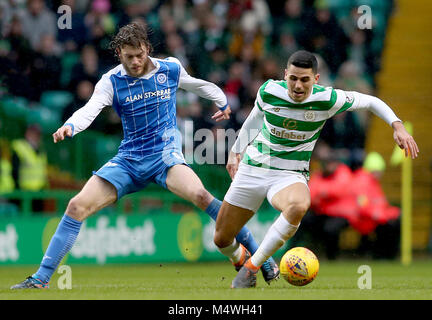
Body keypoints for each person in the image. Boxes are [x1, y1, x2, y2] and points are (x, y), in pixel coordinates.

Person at [11, 23, 278, 289]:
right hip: (128, 160)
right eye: (129, 57)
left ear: (147, 49)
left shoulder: (170, 68)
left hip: (165, 156)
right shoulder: (111, 81)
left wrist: (221, 102)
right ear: (119, 53)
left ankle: (260, 256)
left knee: (201, 196)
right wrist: (71, 125)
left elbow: (199, 86)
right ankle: (40, 279)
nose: (136, 61)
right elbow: (89, 109)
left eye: (140, 55)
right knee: (75, 206)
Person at [213, 50, 419, 288]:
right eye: (293, 79)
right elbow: (256, 117)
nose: (298, 86)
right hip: (253, 168)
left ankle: (252, 267)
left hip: (289, 174)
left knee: (299, 205)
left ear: (316, 79)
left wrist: (397, 126)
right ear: (285, 75)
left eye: (305, 80)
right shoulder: (269, 90)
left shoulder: (328, 99)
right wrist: (236, 151)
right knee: (222, 238)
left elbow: (371, 101)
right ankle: (243, 258)